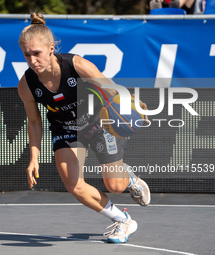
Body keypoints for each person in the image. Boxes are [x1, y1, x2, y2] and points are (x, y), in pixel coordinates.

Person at [17, 13, 151, 244]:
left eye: (36, 53)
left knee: (115, 186)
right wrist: (34, 157)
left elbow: (111, 89)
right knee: (74, 185)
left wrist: (133, 105)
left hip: (99, 123)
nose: (32, 60)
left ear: (51, 48)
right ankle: (123, 220)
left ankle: (128, 179)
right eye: (26, 55)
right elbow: (35, 121)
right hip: (66, 129)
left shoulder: (77, 65)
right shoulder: (27, 84)